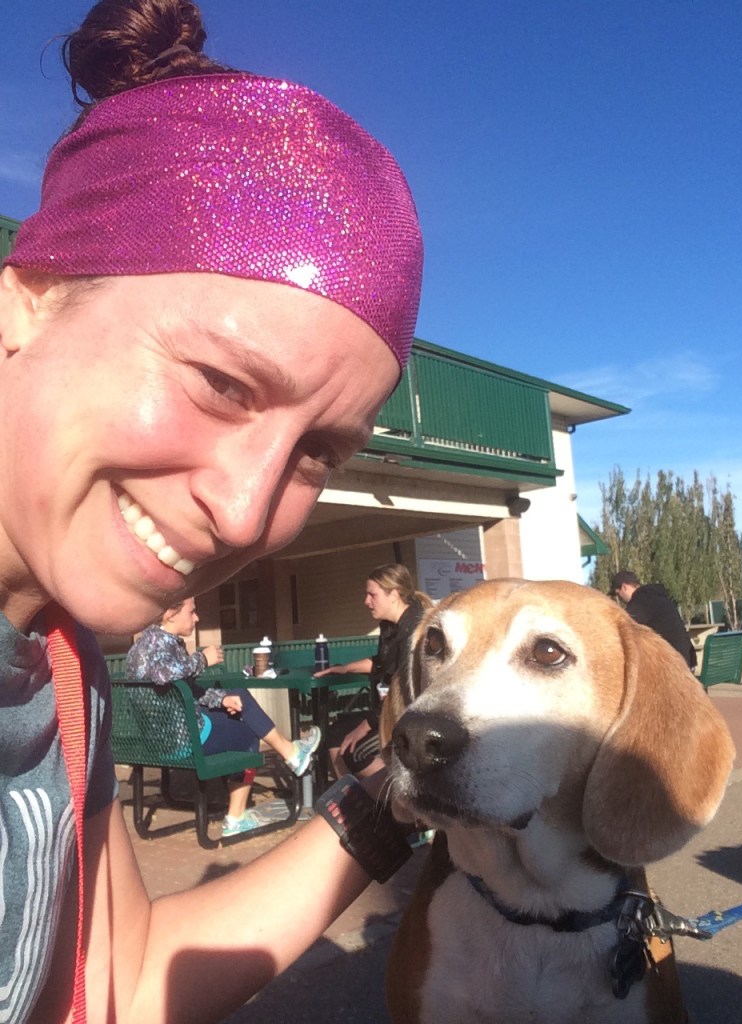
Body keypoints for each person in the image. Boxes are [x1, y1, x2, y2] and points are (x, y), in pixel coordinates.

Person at [0, 0, 423, 1020]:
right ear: (30, 297)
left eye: (317, 452)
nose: (245, 512)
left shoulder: (62, 666)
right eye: (223, 384)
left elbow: (127, 978)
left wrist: (395, 798)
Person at [125, 598, 322, 836]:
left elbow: (183, 690)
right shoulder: (158, 646)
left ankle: (291, 753)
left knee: (236, 697)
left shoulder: (143, 644)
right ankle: (237, 817)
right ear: (170, 614)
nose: (197, 618)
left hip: (156, 743)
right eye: (192, 611)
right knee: (248, 731)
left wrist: (221, 700)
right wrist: (202, 660)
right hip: (181, 742)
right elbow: (162, 676)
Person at [315, 564, 431, 778]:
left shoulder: (415, 630)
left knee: (355, 751)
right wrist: (345, 668)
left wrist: (365, 726)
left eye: (372, 595)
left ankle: (396, 795)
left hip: (409, 715)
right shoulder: (389, 626)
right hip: (386, 709)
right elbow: (381, 662)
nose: (366, 601)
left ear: (394, 595)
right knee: (335, 734)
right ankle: (351, 795)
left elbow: (403, 691)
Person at [610, 570, 697, 669]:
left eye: (618, 594)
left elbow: (622, 629)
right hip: (687, 660)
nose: (619, 599)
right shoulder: (656, 596)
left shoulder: (641, 602)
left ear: (624, 587)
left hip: (675, 667)